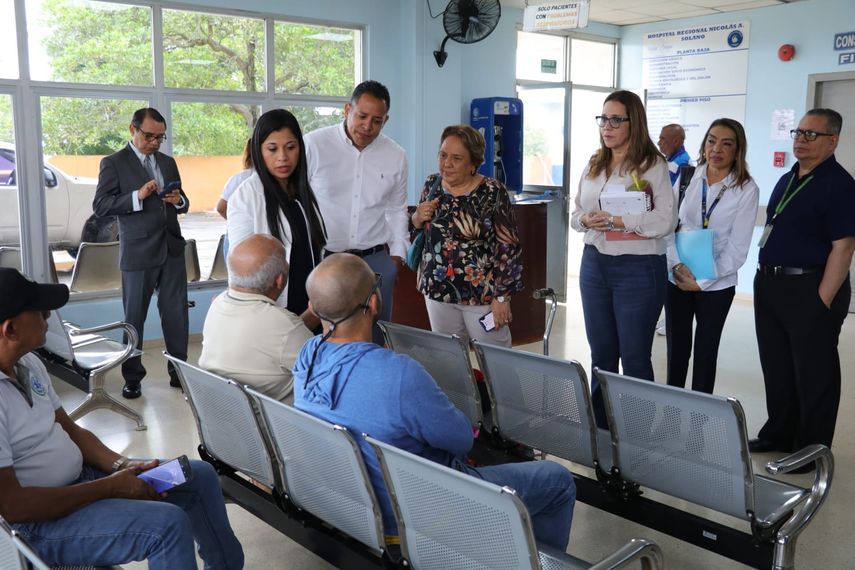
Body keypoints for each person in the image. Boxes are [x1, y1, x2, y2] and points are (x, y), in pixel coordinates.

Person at [292, 254, 575, 551]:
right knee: (558, 480)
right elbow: (461, 440)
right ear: (374, 304)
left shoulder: (307, 356)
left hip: (350, 505)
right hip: (419, 509)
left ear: (313, 308)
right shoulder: (398, 374)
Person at [0, 268, 244, 569]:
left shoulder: (29, 364)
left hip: (84, 480)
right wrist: (110, 487)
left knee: (198, 475)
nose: (47, 315)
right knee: (167, 526)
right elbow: (13, 506)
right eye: (38, 311)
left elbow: (70, 430)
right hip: (40, 525)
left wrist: (123, 466)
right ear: (10, 330)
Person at [750, 108, 855, 460]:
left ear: (832, 141)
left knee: (814, 373)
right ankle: (778, 434)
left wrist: (821, 300)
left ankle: (810, 450)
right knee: (777, 365)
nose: (800, 139)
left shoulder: (839, 185)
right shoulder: (788, 178)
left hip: (809, 289)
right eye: (798, 132)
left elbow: (844, 247)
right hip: (771, 286)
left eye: (811, 134)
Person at [570, 90, 677, 426]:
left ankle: (636, 430)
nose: (608, 126)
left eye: (617, 119)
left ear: (634, 123)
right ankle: (601, 425)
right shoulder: (594, 163)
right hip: (595, 264)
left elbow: (665, 221)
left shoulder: (652, 165)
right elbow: (574, 214)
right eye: (604, 118)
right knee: (601, 353)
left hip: (638, 267)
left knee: (633, 356)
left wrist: (620, 221)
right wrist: (586, 220)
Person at [93, 107, 189, 398]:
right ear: (132, 130)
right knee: (134, 317)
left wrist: (179, 200)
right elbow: (101, 206)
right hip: (137, 251)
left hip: (171, 247)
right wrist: (137, 196)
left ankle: (180, 372)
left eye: (160, 137)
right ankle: (132, 377)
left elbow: (183, 201)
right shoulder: (113, 163)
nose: (155, 142)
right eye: (149, 136)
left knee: (177, 314)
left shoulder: (168, 162)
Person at [304, 80, 408, 345]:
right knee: (324, 335)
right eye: (361, 116)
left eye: (377, 120)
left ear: (386, 120)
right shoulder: (314, 145)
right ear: (347, 109)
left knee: (374, 336)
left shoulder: (396, 155)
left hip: (374, 262)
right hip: (325, 259)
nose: (367, 127)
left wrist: (396, 256)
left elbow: (397, 208)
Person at [664, 118, 759, 394]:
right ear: (704, 144)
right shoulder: (687, 177)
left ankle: (699, 417)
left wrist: (702, 281)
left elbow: (738, 249)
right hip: (678, 277)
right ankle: (671, 410)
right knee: (677, 351)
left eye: (726, 144)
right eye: (712, 141)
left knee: (706, 353)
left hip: (717, 285)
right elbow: (668, 226)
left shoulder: (746, 189)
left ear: (737, 150)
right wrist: (676, 265)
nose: (717, 148)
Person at [411, 125, 523, 347]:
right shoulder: (431, 184)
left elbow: (508, 246)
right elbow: (419, 233)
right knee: (450, 360)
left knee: (497, 360)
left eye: (456, 158)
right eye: (443, 155)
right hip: (437, 290)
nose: (446, 164)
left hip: (481, 294)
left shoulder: (492, 191)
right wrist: (416, 217)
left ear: (473, 163)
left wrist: (502, 297)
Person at [227, 109, 327, 330]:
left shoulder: (303, 192)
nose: (282, 157)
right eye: (272, 149)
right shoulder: (246, 196)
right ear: (258, 151)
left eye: (290, 147)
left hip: (312, 311)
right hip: (273, 314)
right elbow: (242, 268)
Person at [199, 234, 312, 400]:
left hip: (223, 416)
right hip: (274, 423)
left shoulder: (217, 303)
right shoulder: (285, 326)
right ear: (279, 280)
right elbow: (325, 374)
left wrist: (313, 313)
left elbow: (278, 338)